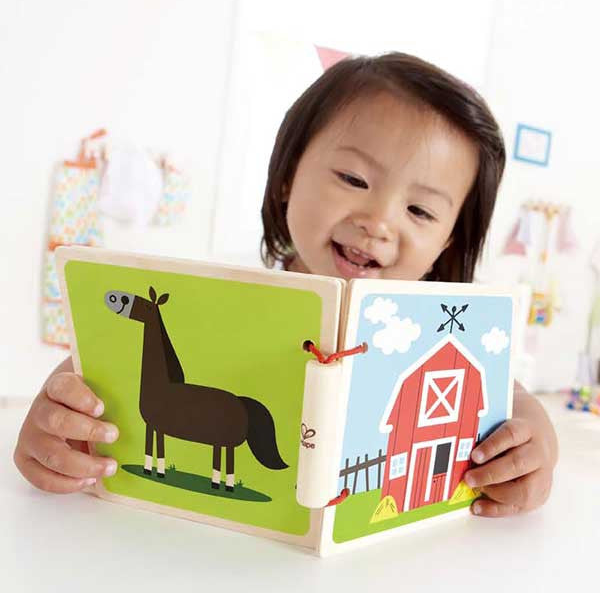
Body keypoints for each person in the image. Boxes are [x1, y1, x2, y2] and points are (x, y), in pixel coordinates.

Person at [14, 52, 558, 517]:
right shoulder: (224, 299)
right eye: (354, 179)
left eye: (419, 209)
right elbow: (109, 369)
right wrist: (63, 413)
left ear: (447, 244)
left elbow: (504, 396)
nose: (379, 220)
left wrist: (535, 439)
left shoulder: (444, 339)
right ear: (286, 180)